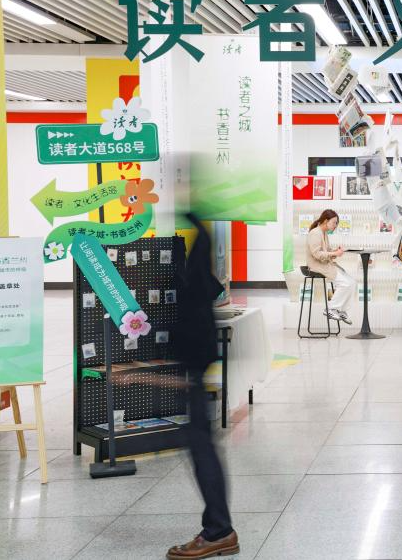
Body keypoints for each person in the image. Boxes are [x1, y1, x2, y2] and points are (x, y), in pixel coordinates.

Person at [167, 214, 238, 559]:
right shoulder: (202, 245)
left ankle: (219, 531)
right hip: (195, 364)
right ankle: (219, 529)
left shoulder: (200, 243)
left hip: (194, 366)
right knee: (201, 446)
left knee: (202, 449)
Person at [306, 209, 355, 325]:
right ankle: (331, 308)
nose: (335, 225)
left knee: (352, 282)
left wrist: (335, 252)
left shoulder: (323, 233)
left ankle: (342, 311)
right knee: (345, 283)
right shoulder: (315, 233)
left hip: (325, 264)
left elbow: (326, 252)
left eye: (336, 223)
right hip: (317, 266)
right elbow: (317, 254)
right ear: (325, 221)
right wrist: (334, 253)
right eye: (334, 222)